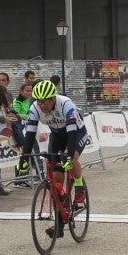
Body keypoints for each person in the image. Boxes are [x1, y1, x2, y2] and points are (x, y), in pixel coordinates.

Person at [22, 80, 87, 238]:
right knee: (56, 178)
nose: (42, 105)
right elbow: (30, 135)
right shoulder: (34, 109)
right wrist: (23, 160)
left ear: (53, 99)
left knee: (70, 161)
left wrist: (69, 156)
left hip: (76, 133)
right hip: (57, 136)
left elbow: (72, 134)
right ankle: (59, 222)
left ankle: (79, 187)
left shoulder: (66, 104)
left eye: (45, 102)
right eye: (39, 102)